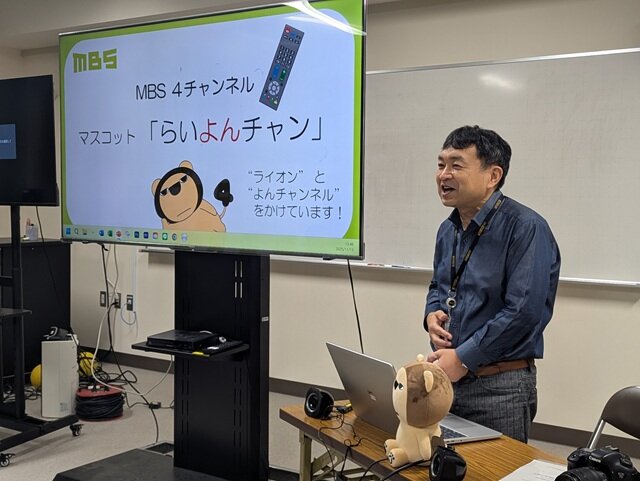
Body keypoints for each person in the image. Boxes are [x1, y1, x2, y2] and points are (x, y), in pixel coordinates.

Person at [424, 125, 560, 443]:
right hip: (448, 379)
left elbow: (523, 313)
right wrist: (431, 314)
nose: (443, 175)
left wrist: (463, 358)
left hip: (499, 388)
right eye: (441, 164)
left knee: (499, 469)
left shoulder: (526, 228)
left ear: (493, 176)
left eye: (456, 165)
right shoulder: (448, 230)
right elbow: (437, 286)